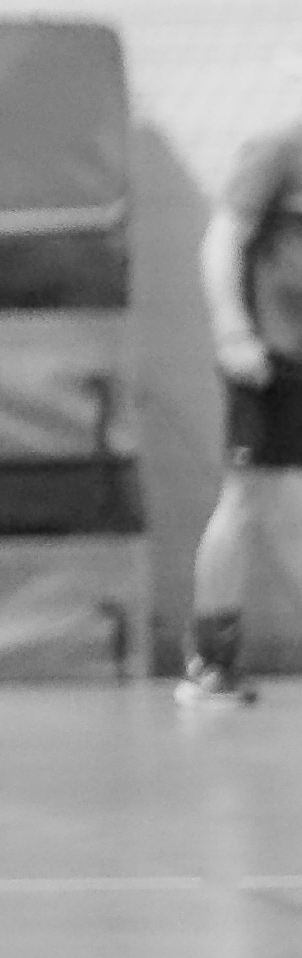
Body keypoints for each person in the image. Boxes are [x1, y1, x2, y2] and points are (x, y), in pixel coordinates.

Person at [183, 115, 302, 705]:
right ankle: (211, 664)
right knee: (250, 500)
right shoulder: (281, 148)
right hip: (269, 361)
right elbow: (224, 237)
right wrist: (232, 331)